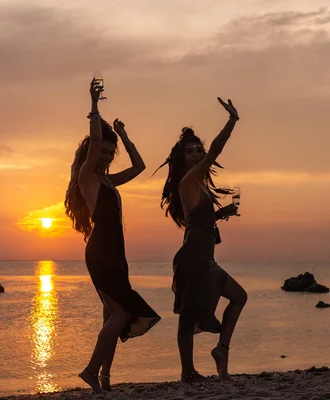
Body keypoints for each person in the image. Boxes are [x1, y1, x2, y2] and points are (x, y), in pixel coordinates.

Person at [64, 79, 161, 392]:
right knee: (121, 312)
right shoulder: (87, 178)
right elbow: (92, 144)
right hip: (102, 253)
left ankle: (105, 375)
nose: (105, 156)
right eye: (102, 152)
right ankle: (92, 371)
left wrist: (125, 137)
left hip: (116, 253)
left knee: (111, 314)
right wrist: (94, 106)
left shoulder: (108, 182)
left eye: (110, 153)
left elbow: (140, 166)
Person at [156, 97, 248, 383]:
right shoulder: (188, 181)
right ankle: (187, 371)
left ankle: (221, 350)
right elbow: (215, 152)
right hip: (195, 257)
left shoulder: (198, 186)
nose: (197, 154)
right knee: (188, 315)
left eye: (199, 150)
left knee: (239, 297)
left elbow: (198, 221)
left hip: (205, 255)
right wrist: (231, 122)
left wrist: (221, 214)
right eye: (190, 152)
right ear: (183, 158)